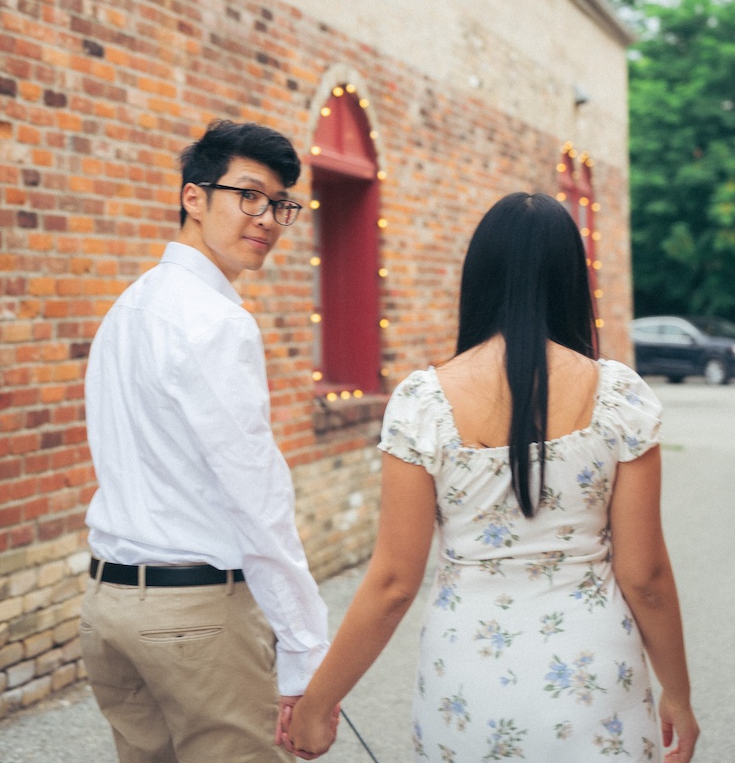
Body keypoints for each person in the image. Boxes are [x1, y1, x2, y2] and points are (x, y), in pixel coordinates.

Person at [284, 192, 699, 762]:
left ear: (477, 278)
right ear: (571, 281)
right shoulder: (620, 396)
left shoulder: (422, 403)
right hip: (595, 677)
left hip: (467, 679)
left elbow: (392, 584)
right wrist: (678, 694)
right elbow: (645, 574)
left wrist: (316, 704)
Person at [80, 120, 331, 763]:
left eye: (280, 204)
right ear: (194, 197)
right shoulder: (215, 321)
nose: (268, 218)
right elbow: (255, 492)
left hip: (109, 610)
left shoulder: (128, 309)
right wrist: (305, 646)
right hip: (194, 615)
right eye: (249, 195)